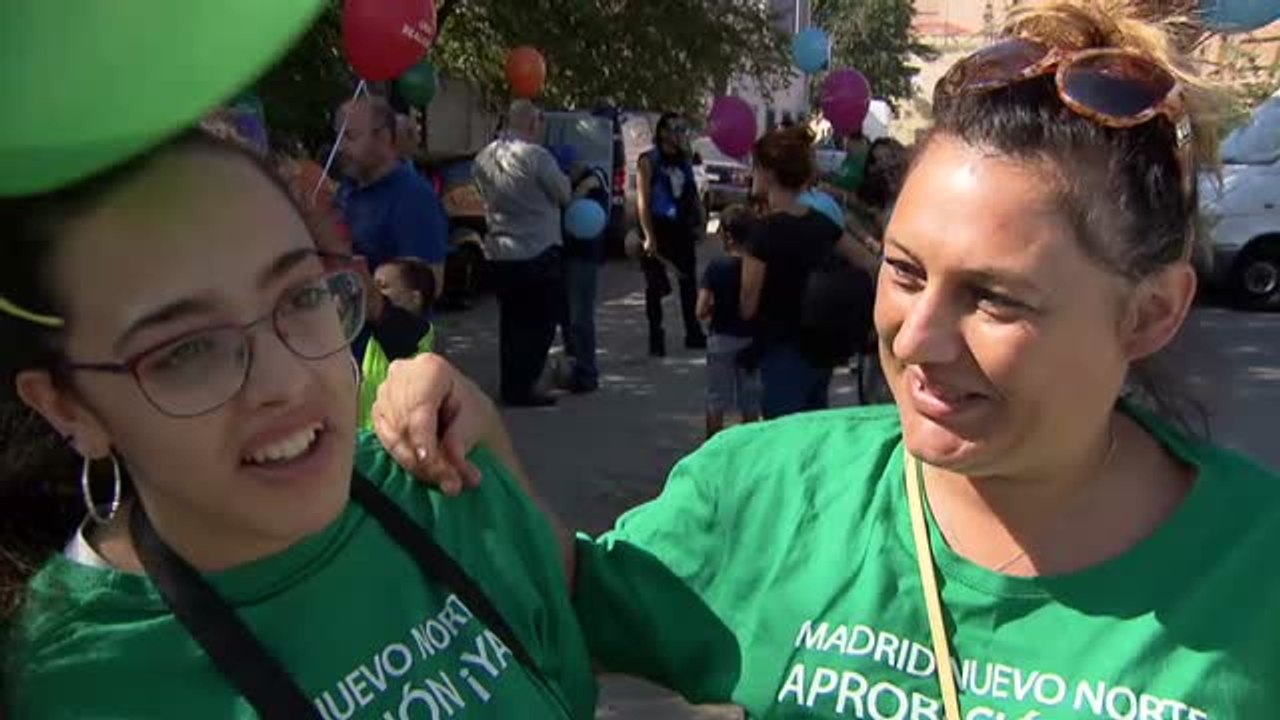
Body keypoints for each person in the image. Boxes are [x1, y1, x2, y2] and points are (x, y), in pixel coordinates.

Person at [371, 1, 1280, 715]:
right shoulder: (770, 491)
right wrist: (472, 436)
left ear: (1152, 311)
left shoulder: (1255, 570)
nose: (918, 340)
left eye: (996, 298)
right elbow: (566, 598)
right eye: (907, 271)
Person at [0, 127, 596, 718]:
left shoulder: (436, 491)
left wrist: (491, 439)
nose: (286, 382)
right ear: (67, 407)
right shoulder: (71, 683)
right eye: (186, 350)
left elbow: (582, 640)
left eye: (302, 297)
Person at [742, 126, 879, 419]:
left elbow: (748, 304)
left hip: (780, 351)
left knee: (782, 437)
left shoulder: (762, 232)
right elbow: (869, 262)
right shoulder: (821, 223)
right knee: (811, 432)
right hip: (821, 348)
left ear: (768, 172)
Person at [473, 100, 571, 407]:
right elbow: (563, 193)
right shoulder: (536, 156)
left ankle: (511, 383)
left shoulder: (483, 157)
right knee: (540, 323)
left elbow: (481, 193)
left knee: (511, 323)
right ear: (532, 123)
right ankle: (525, 385)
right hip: (537, 249)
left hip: (500, 252)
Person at [335, 95, 449, 296]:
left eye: (350, 136)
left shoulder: (414, 198)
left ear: (384, 137)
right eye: (338, 136)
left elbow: (428, 288)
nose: (340, 147)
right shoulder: (346, 190)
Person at [637, 112, 707, 357]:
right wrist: (648, 235)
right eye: (676, 129)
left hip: (681, 228)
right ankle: (656, 336)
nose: (680, 134)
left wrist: (701, 219)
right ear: (663, 132)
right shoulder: (649, 160)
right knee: (654, 286)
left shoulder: (683, 160)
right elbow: (643, 201)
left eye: (683, 129)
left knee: (688, 282)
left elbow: (692, 192)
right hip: (658, 226)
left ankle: (693, 331)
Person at [695, 205, 762, 439]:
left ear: (727, 236)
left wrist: (715, 307)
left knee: (716, 398)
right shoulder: (757, 266)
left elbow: (700, 310)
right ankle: (747, 450)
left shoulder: (717, 267)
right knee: (750, 401)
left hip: (721, 338)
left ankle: (711, 447)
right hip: (751, 340)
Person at [356, 257, 439, 428]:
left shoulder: (415, 331)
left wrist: (349, 263)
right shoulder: (372, 330)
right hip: (366, 436)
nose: (374, 292)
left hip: (395, 438)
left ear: (415, 298)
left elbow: (375, 305)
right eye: (373, 285)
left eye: (383, 286)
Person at [561, 162, 610, 394]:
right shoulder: (574, 181)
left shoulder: (594, 180)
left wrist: (579, 190)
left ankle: (586, 372)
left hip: (583, 257)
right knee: (569, 317)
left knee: (579, 317)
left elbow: (599, 180)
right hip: (564, 254)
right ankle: (576, 366)